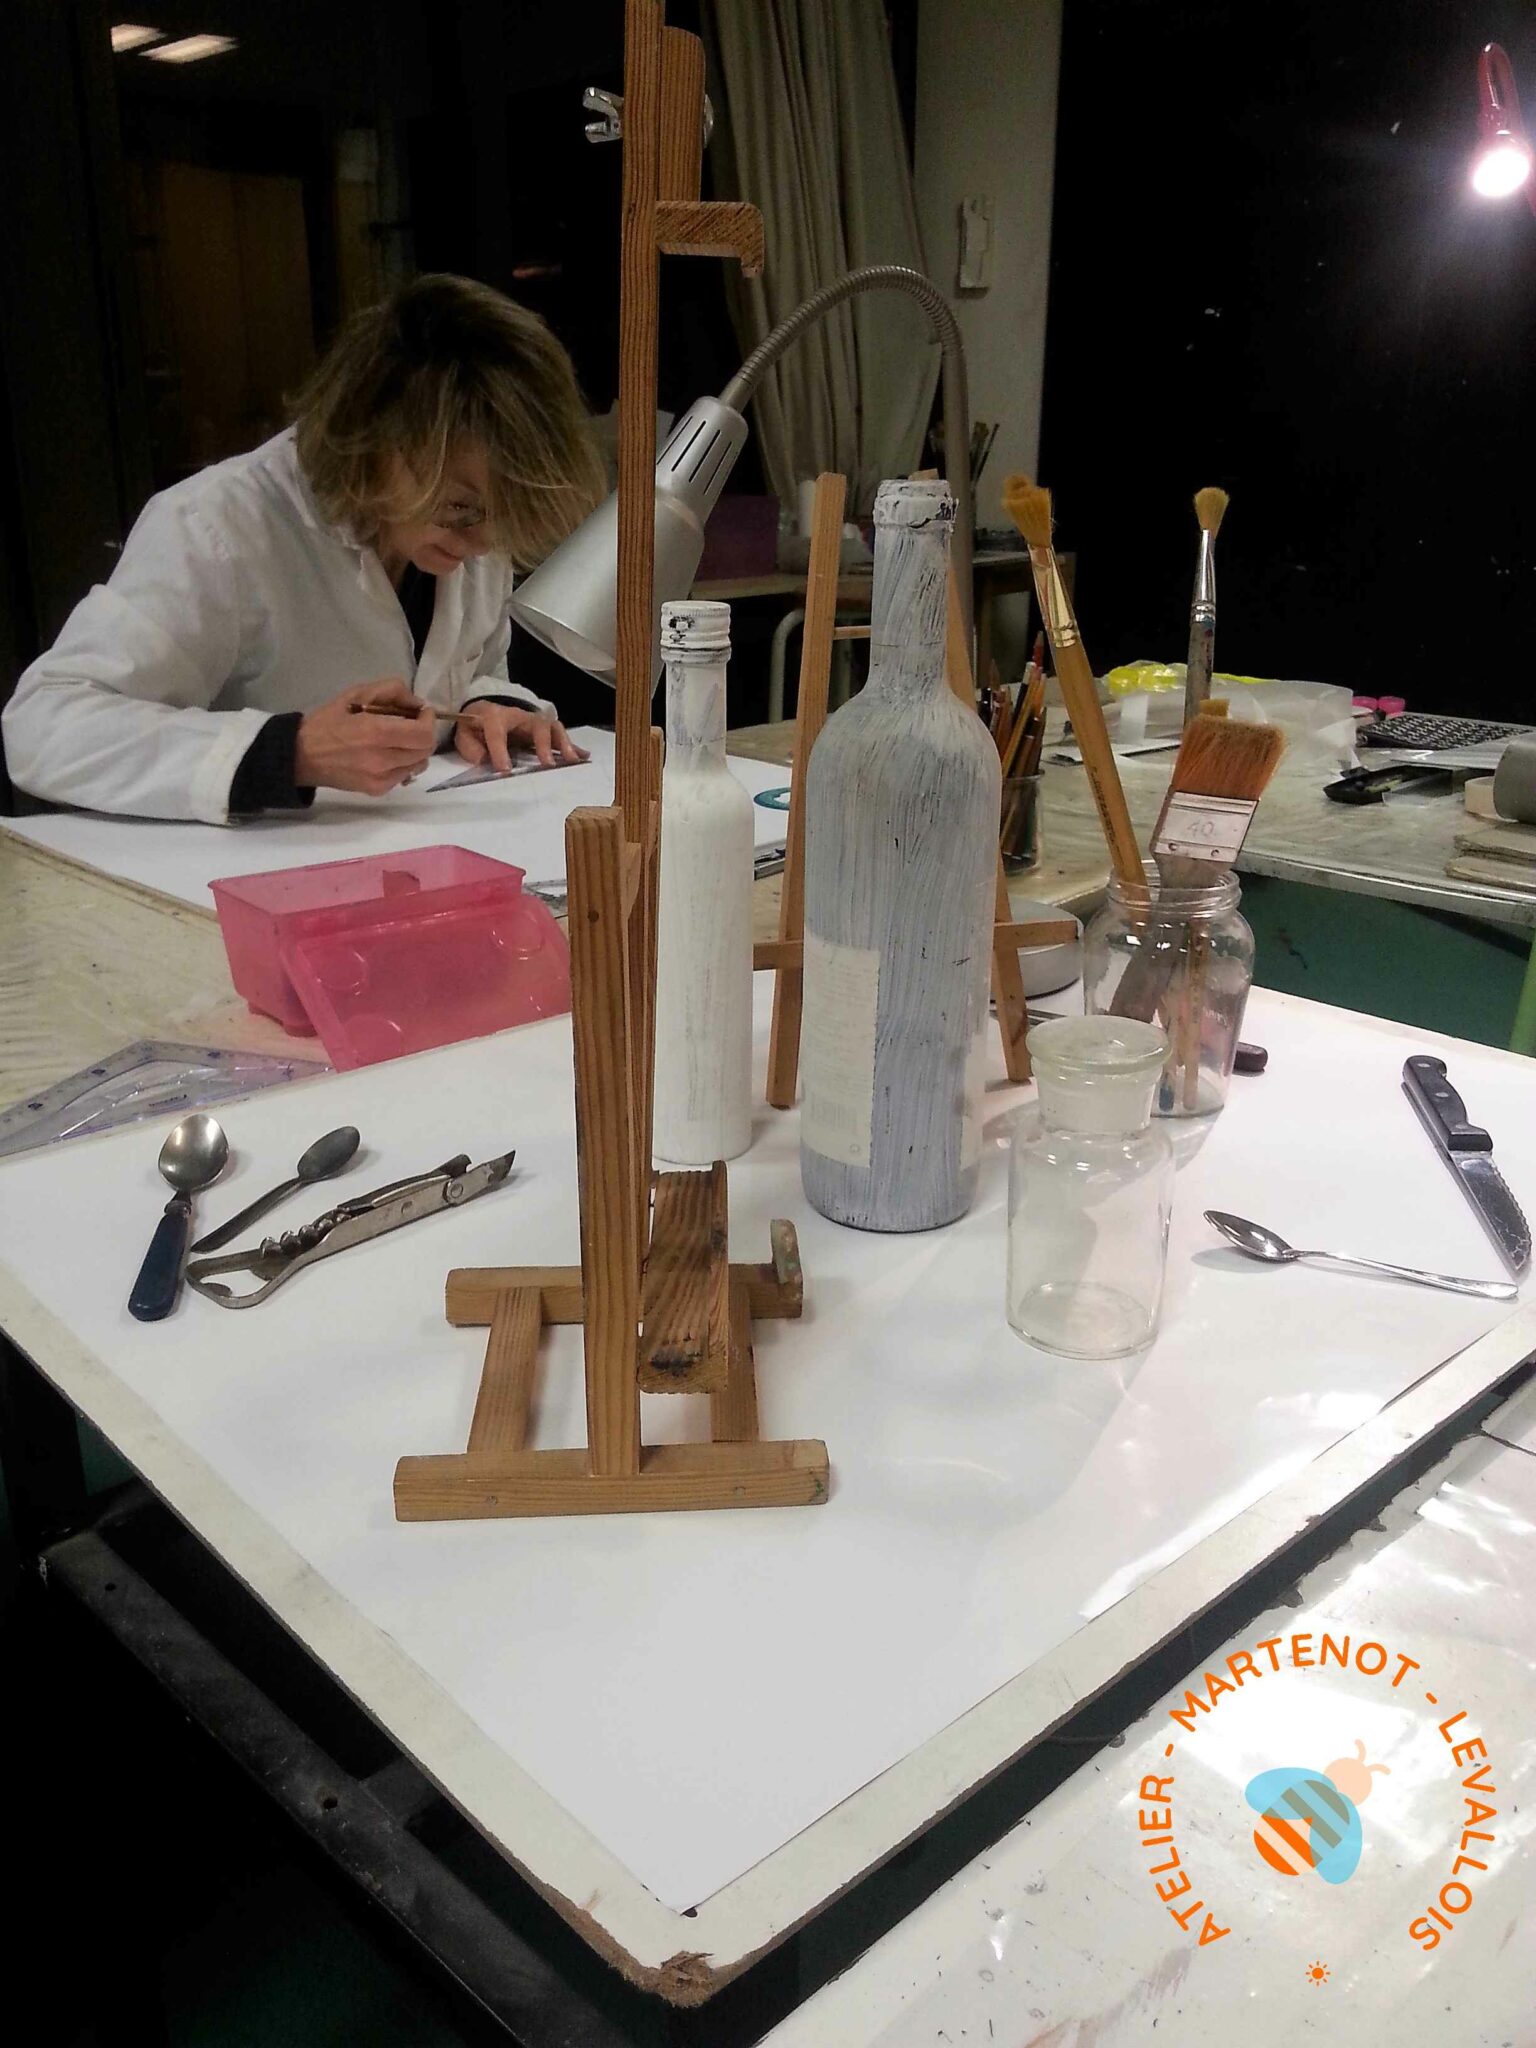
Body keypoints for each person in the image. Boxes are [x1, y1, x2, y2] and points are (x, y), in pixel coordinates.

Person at [2, 273, 606, 822]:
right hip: (231, 885)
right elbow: (46, 724)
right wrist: (290, 752)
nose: (483, 543)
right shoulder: (220, 526)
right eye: (460, 509)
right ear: (373, 438)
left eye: (501, 515)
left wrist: (488, 707)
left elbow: (473, 663)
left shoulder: (463, 536)